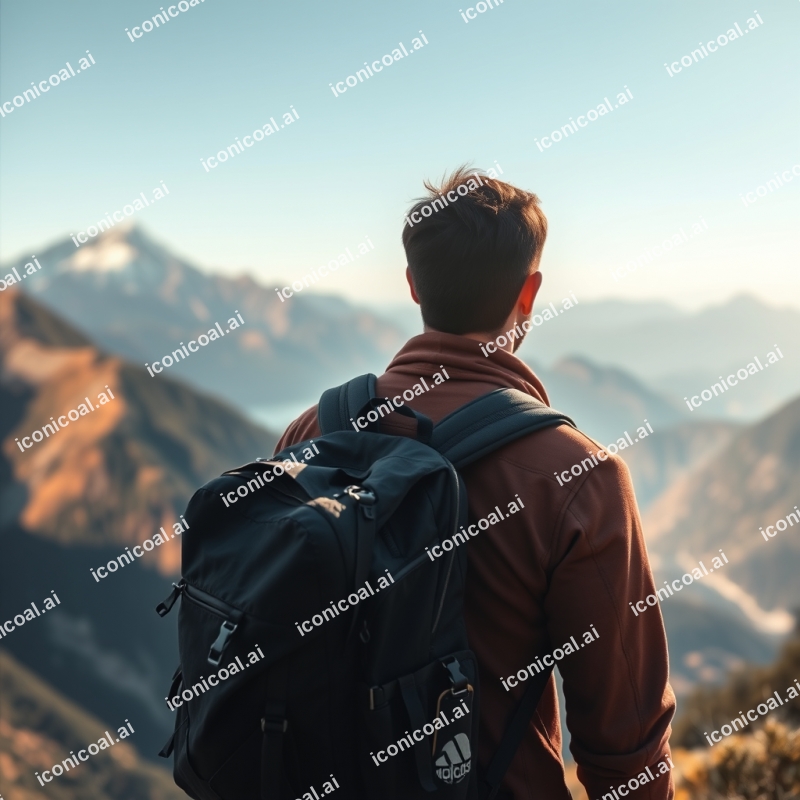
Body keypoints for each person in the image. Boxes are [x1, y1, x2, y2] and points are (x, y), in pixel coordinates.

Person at [275, 166, 676, 799]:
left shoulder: (309, 434)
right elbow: (627, 747)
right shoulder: (579, 478)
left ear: (413, 285)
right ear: (530, 293)